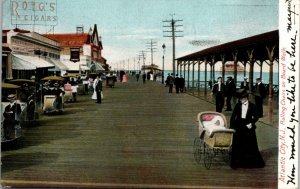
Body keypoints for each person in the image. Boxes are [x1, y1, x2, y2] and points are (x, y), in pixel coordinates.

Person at [230, 88, 265, 169]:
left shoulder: (253, 106)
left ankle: (248, 163)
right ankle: (236, 163)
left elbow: (256, 117)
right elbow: (233, 116)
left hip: (248, 126)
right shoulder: (238, 105)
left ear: (245, 98)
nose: (240, 100)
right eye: (239, 98)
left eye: (241, 98)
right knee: (237, 144)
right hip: (239, 125)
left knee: (249, 144)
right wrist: (232, 126)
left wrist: (251, 123)